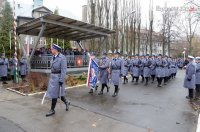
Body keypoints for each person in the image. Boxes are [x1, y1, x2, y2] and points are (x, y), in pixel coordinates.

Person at [46, 44, 70, 117]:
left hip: (58, 78)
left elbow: (64, 70)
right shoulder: (53, 57)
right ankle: (66, 102)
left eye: (52, 49)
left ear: (56, 50)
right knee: (59, 94)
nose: (51, 50)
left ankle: (52, 110)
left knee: (55, 95)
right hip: (53, 77)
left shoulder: (62, 58)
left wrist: (61, 80)